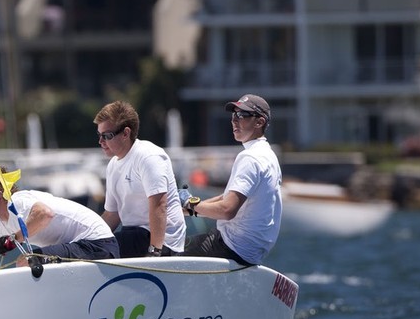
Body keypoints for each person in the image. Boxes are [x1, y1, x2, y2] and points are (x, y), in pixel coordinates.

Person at [0, 164, 119, 268]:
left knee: (26, 261)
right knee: (27, 260)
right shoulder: (6, 224)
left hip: (97, 244)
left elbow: (45, 214)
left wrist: (15, 239)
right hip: (86, 247)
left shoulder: (18, 201)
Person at [182, 94, 282, 265]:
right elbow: (227, 197)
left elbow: (227, 210)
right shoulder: (268, 155)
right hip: (249, 252)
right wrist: (189, 208)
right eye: (234, 115)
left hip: (229, 247)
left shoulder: (250, 158)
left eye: (242, 115)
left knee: (165, 249)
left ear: (260, 122)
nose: (235, 121)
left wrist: (190, 205)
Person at [93, 101, 186, 257]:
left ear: (125, 133)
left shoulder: (148, 156)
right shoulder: (113, 165)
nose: (100, 141)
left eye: (106, 135)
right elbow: (112, 215)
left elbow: (159, 206)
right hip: (134, 236)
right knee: (88, 247)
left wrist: (155, 252)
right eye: (99, 135)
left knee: (97, 251)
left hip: (161, 242)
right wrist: (87, 236)